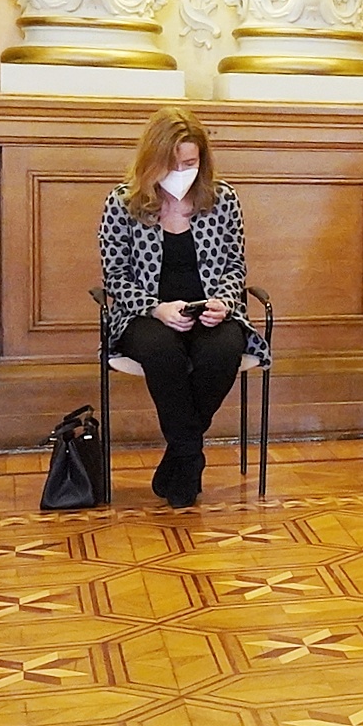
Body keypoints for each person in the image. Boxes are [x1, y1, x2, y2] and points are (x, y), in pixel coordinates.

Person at [98, 108, 263, 507]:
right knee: (163, 352)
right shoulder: (122, 203)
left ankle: (178, 455)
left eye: (190, 164)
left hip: (209, 309)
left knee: (223, 351)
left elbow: (235, 265)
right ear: (152, 160)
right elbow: (115, 276)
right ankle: (189, 459)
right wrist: (156, 308)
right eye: (172, 165)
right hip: (144, 315)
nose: (181, 172)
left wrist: (223, 301)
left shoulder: (223, 199)